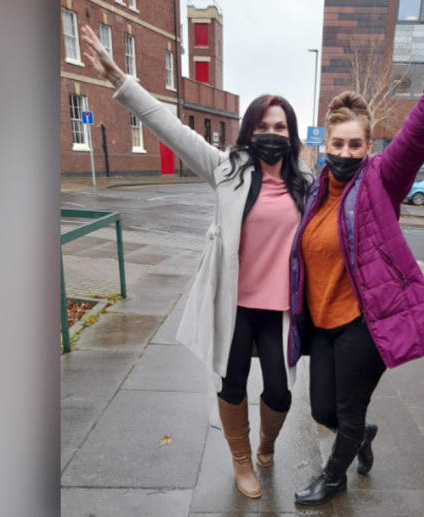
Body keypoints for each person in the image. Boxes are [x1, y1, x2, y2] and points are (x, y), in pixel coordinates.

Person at [79, 25, 313, 499]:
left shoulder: (306, 183)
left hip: (279, 308)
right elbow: (170, 126)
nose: (272, 135)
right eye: (263, 126)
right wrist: (120, 80)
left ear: (291, 136)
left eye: (280, 127)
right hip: (235, 304)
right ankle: (242, 461)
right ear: (250, 130)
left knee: (280, 393)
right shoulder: (225, 170)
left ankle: (267, 443)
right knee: (231, 388)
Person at [287, 22, 424, 505]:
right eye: (337, 145)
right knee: (324, 413)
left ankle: (334, 478)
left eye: (355, 145)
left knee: (346, 410)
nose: (345, 153)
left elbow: (420, 129)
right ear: (324, 146)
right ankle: (363, 435)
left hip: (366, 322)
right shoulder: (315, 191)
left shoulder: (380, 181)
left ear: (368, 147)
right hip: (325, 322)